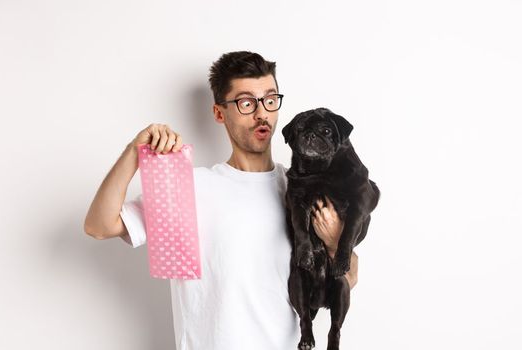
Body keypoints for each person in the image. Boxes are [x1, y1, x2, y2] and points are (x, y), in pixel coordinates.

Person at [83, 51, 359, 350]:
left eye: (269, 100)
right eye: (246, 102)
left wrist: (334, 242)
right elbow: (100, 225)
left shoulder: (302, 191)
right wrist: (134, 152)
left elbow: (349, 278)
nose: (261, 113)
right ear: (219, 113)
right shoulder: (188, 187)